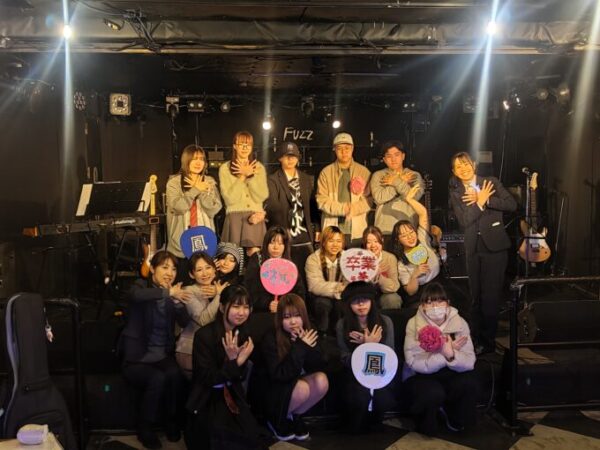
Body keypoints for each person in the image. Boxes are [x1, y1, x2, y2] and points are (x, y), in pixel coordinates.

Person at [121, 250, 191, 449]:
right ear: (152, 269)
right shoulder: (141, 286)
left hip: (162, 355)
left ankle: (171, 422)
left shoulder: (173, 293)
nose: (170, 273)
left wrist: (177, 303)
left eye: (174, 269)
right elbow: (136, 296)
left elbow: (185, 322)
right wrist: (168, 293)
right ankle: (145, 428)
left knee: (175, 375)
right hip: (137, 358)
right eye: (164, 267)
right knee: (157, 378)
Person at [449, 152, 517, 354]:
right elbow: (464, 220)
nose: (463, 169)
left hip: (494, 247)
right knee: (474, 297)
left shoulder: (491, 182)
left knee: (491, 297)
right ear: (454, 171)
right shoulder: (456, 192)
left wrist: (487, 200)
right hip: (472, 247)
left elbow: (511, 204)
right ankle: (474, 340)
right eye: (458, 166)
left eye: (466, 164)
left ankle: (488, 343)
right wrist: (479, 203)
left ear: (474, 165)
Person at [185, 285, 264, 450]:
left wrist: (238, 363)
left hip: (233, 395)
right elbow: (207, 379)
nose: (241, 312)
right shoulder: (204, 335)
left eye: (246, 307)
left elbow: (240, 376)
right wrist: (235, 361)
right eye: (236, 306)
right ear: (222, 307)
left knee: (252, 440)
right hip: (207, 399)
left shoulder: (243, 334)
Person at [403, 282, 477, 436]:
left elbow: (470, 361)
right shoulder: (413, 324)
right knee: (432, 393)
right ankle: (426, 422)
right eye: (429, 302)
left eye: (439, 301)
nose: (435, 306)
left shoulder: (460, 322)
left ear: (447, 303)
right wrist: (443, 353)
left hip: (452, 371)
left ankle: (456, 419)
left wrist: (451, 355)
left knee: (469, 382)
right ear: (423, 306)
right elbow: (413, 361)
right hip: (422, 374)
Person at [261, 294, 329, 441]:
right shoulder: (271, 337)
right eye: (286, 317)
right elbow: (280, 375)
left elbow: (320, 365)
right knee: (302, 388)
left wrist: (308, 348)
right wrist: (299, 348)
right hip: (274, 390)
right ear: (280, 318)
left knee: (321, 380)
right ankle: (276, 419)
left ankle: (293, 416)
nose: (293, 321)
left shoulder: (309, 331)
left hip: (295, 384)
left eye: (297, 315)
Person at [335, 282, 397, 432]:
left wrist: (371, 346)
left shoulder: (385, 322)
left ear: (372, 301)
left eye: (365, 300)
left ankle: (374, 422)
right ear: (349, 304)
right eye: (355, 301)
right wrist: (365, 347)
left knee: (383, 399)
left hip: (380, 374)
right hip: (355, 374)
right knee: (358, 396)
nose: (361, 304)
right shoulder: (343, 324)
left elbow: (390, 357)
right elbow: (344, 358)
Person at [166, 144, 222, 282]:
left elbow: (214, 209)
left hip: (205, 241)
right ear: (186, 160)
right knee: (183, 285)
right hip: (181, 244)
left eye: (201, 159)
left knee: (205, 284)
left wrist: (202, 192)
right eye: (194, 158)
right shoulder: (174, 182)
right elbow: (178, 207)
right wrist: (195, 190)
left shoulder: (209, 182)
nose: (198, 162)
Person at [266, 141, 316, 288]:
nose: (290, 159)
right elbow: (273, 207)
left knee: (307, 273)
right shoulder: (273, 179)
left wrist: (316, 227)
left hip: (305, 233)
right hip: (285, 234)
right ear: (280, 158)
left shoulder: (306, 179)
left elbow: (312, 206)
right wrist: (283, 230)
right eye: (286, 156)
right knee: (286, 274)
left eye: (293, 156)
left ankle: (305, 300)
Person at [176, 252, 229, 377]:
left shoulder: (220, 287)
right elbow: (203, 320)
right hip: (191, 350)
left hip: (214, 349)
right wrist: (219, 295)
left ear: (214, 270)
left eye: (208, 267)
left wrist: (219, 292)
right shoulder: (188, 291)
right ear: (191, 274)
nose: (205, 273)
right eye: (199, 270)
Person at [316, 132, 371, 247]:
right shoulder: (326, 172)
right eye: (339, 148)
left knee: (354, 257)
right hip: (332, 230)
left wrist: (352, 209)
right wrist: (343, 209)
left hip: (357, 231)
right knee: (332, 258)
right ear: (334, 150)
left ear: (352, 148)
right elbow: (321, 200)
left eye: (347, 148)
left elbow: (369, 200)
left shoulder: (363, 172)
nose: (343, 152)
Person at [220, 131, 269, 257]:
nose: (245, 148)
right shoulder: (225, 168)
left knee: (255, 260)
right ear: (234, 146)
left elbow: (262, 195)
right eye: (241, 144)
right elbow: (229, 199)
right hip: (234, 219)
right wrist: (242, 176)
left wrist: (250, 176)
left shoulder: (259, 167)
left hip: (255, 218)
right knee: (233, 259)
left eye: (248, 145)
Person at [370, 141, 424, 247]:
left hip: (409, 231)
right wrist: (401, 181)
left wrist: (395, 181)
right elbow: (379, 198)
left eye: (397, 155)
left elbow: (415, 196)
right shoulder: (378, 175)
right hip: (385, 230)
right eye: (389, 156)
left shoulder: (414, 175)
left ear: (403, 156)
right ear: (384, 159)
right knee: (386, 258)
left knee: (412, 258)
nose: (393, 159)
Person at [393, 185, 440, 306]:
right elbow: (410, 291)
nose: (410, 237)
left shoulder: (421, 237)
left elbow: (423, 213)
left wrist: (409, 199)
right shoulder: (401, 263)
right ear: (398, 240)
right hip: (421, 293)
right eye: (404, 235)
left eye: (411, 232)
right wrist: (415, 274)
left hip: (439, 284)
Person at [244, 226, 306, 312]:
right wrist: (267, 304)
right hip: (261, 310)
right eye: (272, 243)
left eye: (280, 244)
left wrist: (284, 304)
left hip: (286, 310)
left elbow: (299, 292)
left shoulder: (291, 262)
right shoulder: (257, 259)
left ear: (285, 246)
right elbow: (249, 288)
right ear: (266, 244)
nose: (276, 247)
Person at [305, 226, 347, 334]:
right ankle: (322, 334)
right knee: (323, 304)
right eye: (331, 241)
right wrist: (338, 287)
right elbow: (314, 285)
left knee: (341, 305)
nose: (335, 245)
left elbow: (349, 281)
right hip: (319, 296)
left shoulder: (347, 257)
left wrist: (344, 288)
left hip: (341, 296)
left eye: (338, 241)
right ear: (323, 242)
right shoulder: (313, 259)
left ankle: (340, 334)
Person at [362, 226, 402, 309]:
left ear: (382, 240)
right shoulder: (359, 258)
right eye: (369, 242)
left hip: (384, 294)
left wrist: (379, 277)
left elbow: (394, 286)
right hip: (365, 295)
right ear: (365, 244)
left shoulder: (390, 258)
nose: (373, 245)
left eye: (376, 241)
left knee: (393, 299)